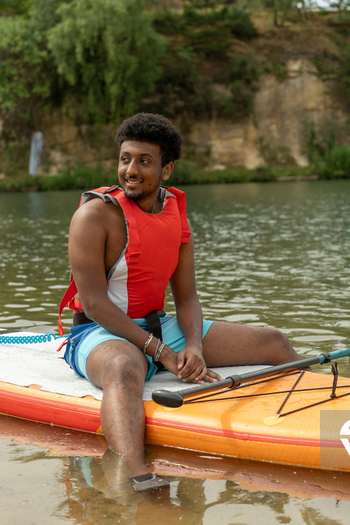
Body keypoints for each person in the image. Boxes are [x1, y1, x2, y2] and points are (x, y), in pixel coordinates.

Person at [59, 113, 302, 492]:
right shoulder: (92, 216)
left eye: (144, 160)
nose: (131, 170)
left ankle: (320, 424)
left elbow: (186, 298)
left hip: (158, 326)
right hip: (99, 332)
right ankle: (137, 477)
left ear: (166, 169)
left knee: (274, 341)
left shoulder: (174, 211)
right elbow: (93, 304)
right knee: (123, 369)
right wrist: (162, 354)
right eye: (125, 159)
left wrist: (192, 345)